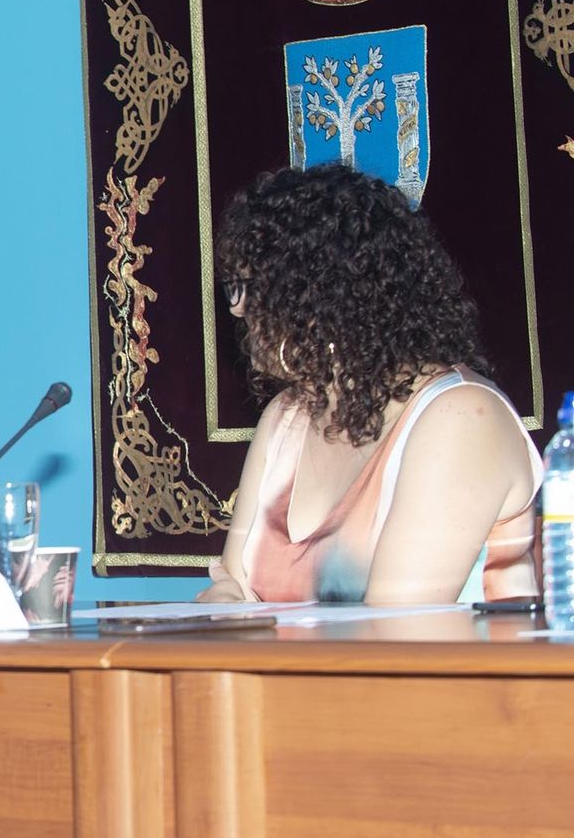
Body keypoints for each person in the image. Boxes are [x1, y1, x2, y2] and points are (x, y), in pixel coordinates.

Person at [199, 164, 541, 605]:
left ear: (322, 292)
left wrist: (238, 617)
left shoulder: (461, 417)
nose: (237, 309)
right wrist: (226, 606)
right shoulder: (286, 417)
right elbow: (229, 590)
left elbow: (392, 633)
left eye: (247, 287)